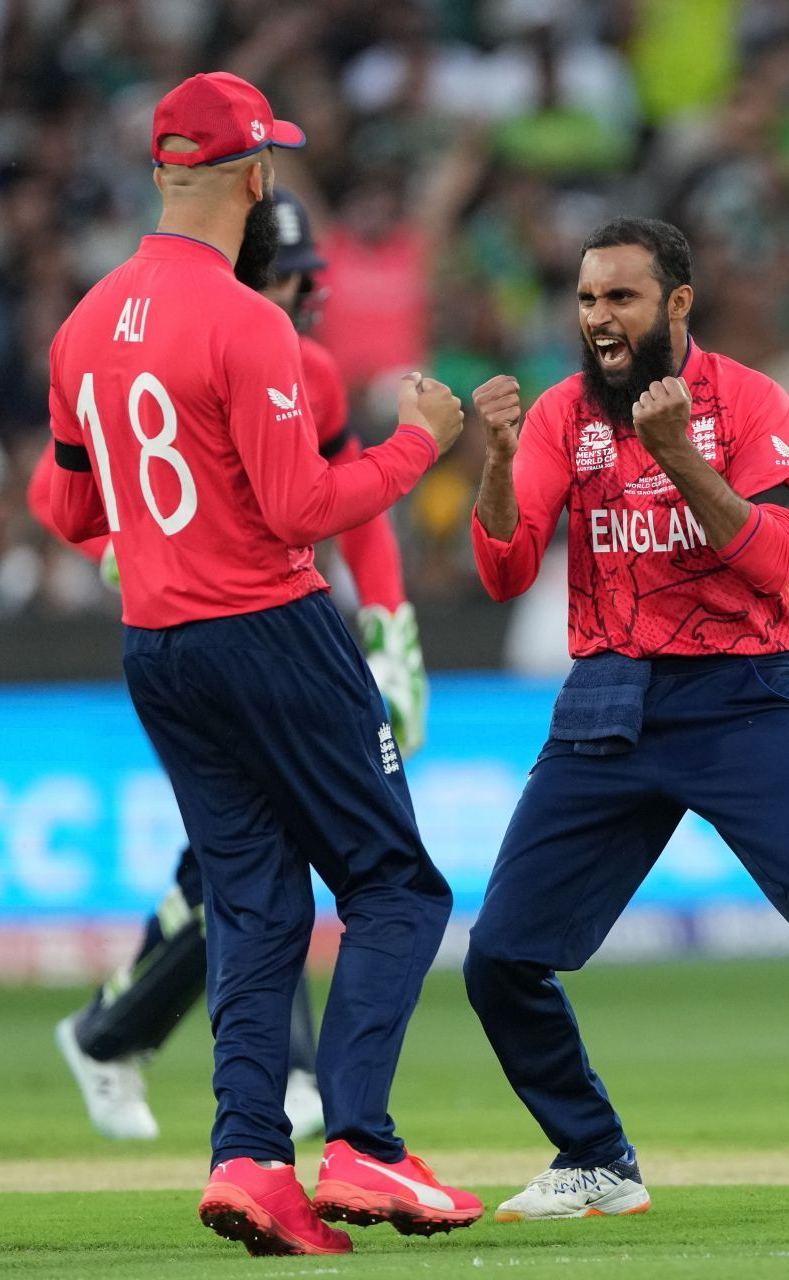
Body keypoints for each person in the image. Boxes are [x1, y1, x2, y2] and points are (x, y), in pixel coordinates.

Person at [464, 216, 789, 1219]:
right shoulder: (561, 415)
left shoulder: (751, 402)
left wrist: (675, 456)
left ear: (676, 302)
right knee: (498, 955)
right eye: (585, 300)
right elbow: (502, 568)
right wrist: (494, 460)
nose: (598, 321)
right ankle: (594, 1155)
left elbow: (773, 563)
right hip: (609, 694)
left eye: (619, 298)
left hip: (742, 693)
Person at [46, 72, 478, 1255]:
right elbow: (300, 506)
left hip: (160, 646)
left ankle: (247, 1156)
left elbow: (65, 500)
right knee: (396, 885)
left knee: (251, 902)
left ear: (160, 173)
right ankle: (364, 1146)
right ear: (258, 175)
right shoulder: (250, 323)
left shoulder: (84, 323)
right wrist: (417, 447)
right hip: (269, 628)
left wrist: (151, 533)